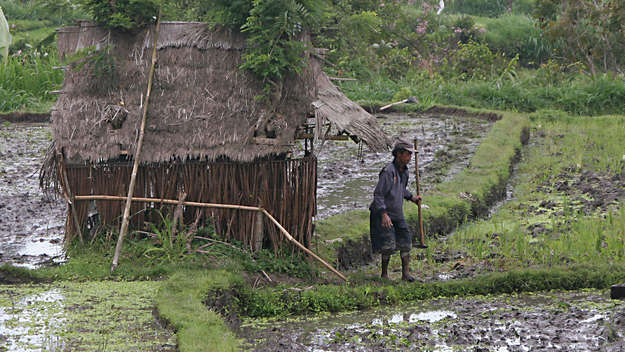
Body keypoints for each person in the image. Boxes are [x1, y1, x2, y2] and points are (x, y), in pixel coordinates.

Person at [369, 137, 421, 281]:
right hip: (384, 213)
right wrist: (383, 214)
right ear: (399, 154)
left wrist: (412, 198)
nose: (410, 157)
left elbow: (401, 189)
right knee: (388, 245)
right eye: (407, 154)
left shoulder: (404, 172)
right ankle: (384, 275)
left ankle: (405, 274)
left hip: (397, 213)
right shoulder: (388, 172)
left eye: (411, 155)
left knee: (405, 243)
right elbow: (378, 194)